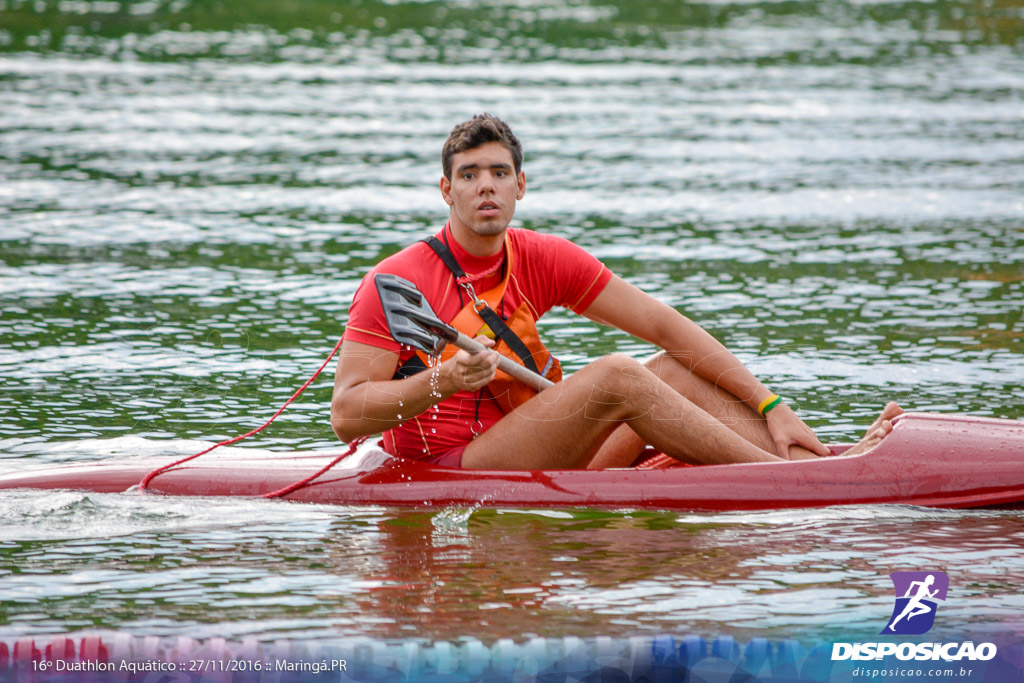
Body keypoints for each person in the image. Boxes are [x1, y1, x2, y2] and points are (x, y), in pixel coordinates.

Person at [331, 114, 902, 470]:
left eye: (500, 173)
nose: (486, 186)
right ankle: (797, 485)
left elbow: (664, 327)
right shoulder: (398, 282)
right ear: (445, 190)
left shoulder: (541, 255)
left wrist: (770, 404)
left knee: (670, 369)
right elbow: (347, 415)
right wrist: (445, 379)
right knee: (617, 375)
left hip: (537, 440)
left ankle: (824, 464)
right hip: (455, 464)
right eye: (469, 174)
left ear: (521, 185)